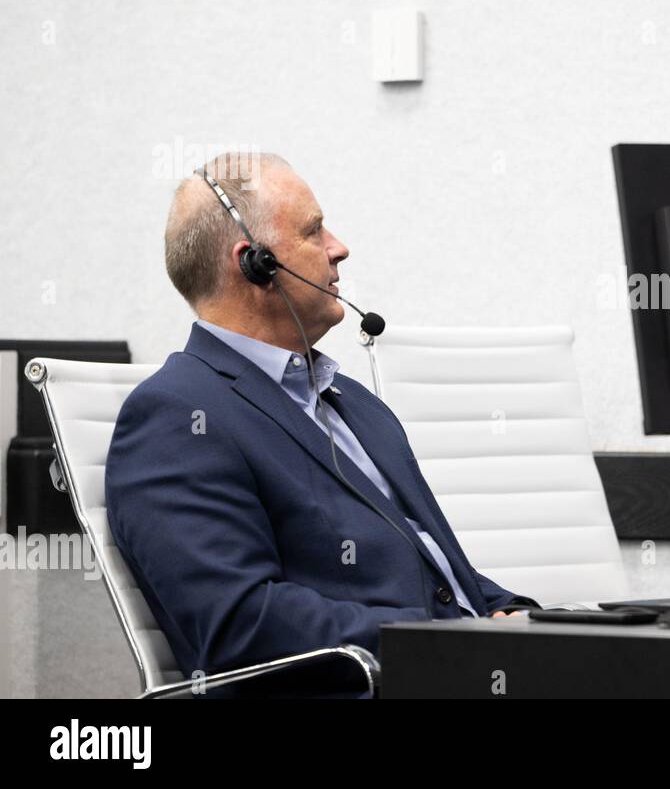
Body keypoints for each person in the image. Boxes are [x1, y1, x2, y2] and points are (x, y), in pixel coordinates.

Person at [106, 151, 536, 692]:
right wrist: (449, 638)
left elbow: (440, 575)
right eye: (314, 231)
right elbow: (243, 622)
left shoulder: (353, 402)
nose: (340, 248)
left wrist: (522, 620)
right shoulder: (175, 416)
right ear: (254, 263)